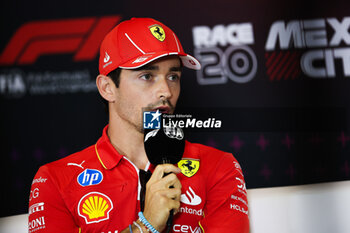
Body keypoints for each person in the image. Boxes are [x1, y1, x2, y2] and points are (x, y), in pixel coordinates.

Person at [28, 17, 249, 233]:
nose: (166, 91)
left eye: (173, 76)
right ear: (107, 88)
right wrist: (145, 226)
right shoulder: (55, 181)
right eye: (147, 76)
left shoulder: (218, 167)